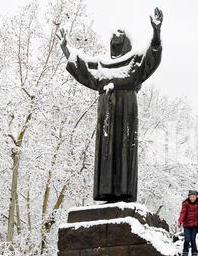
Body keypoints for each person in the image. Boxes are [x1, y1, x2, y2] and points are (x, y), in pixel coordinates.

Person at [56, 8, 163, 203]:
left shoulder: (135, 61)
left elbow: (152, 58)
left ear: (126, 42)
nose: (115, 38)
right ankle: (106, 192)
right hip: (106, 112)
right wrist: (66, 49)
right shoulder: (102, 64)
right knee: (107, 151)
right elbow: (84, 68)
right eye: (114, 37)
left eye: (120, 36)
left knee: (124, 149)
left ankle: (124, 192)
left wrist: (156, 32)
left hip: (126, 110)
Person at [178, 190, 198, 256]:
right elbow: (183, 213)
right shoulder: (185, 203)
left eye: (193, 197)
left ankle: (194, 255)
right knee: (187, 239)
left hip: (194, 225)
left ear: (196, 197)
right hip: (187, 225)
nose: (192, 198)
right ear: (188, 197)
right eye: (190, 197)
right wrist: (180, 221)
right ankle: (185, 254)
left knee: (193, 240)